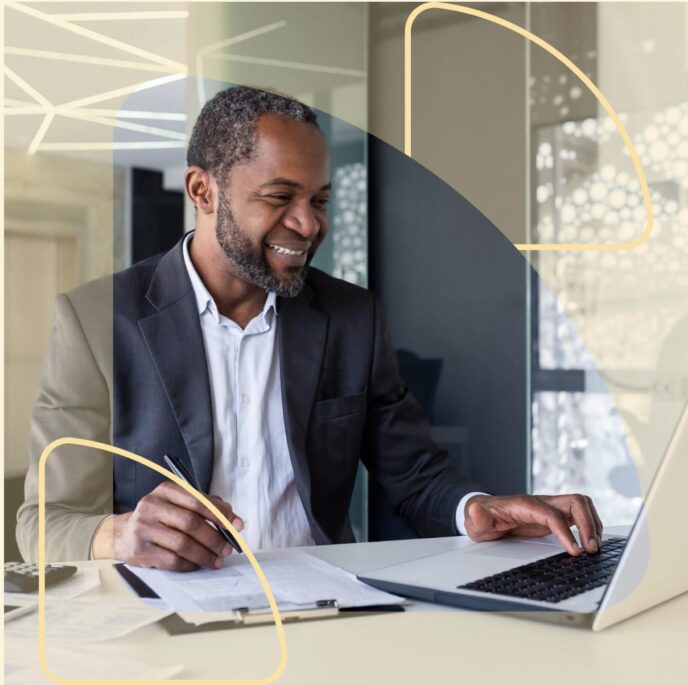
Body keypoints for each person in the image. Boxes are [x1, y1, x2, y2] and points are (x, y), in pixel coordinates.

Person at [17, 86, 603, 569]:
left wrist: (477, 507)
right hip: (166, 620)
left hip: (326, 612)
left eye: (320, 200)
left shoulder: (352, 317)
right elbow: (44, 523)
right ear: (202, 190)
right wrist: (119, 537)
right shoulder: (96, 319)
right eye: (280, 196)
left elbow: (415, 475)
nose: (307, 223)